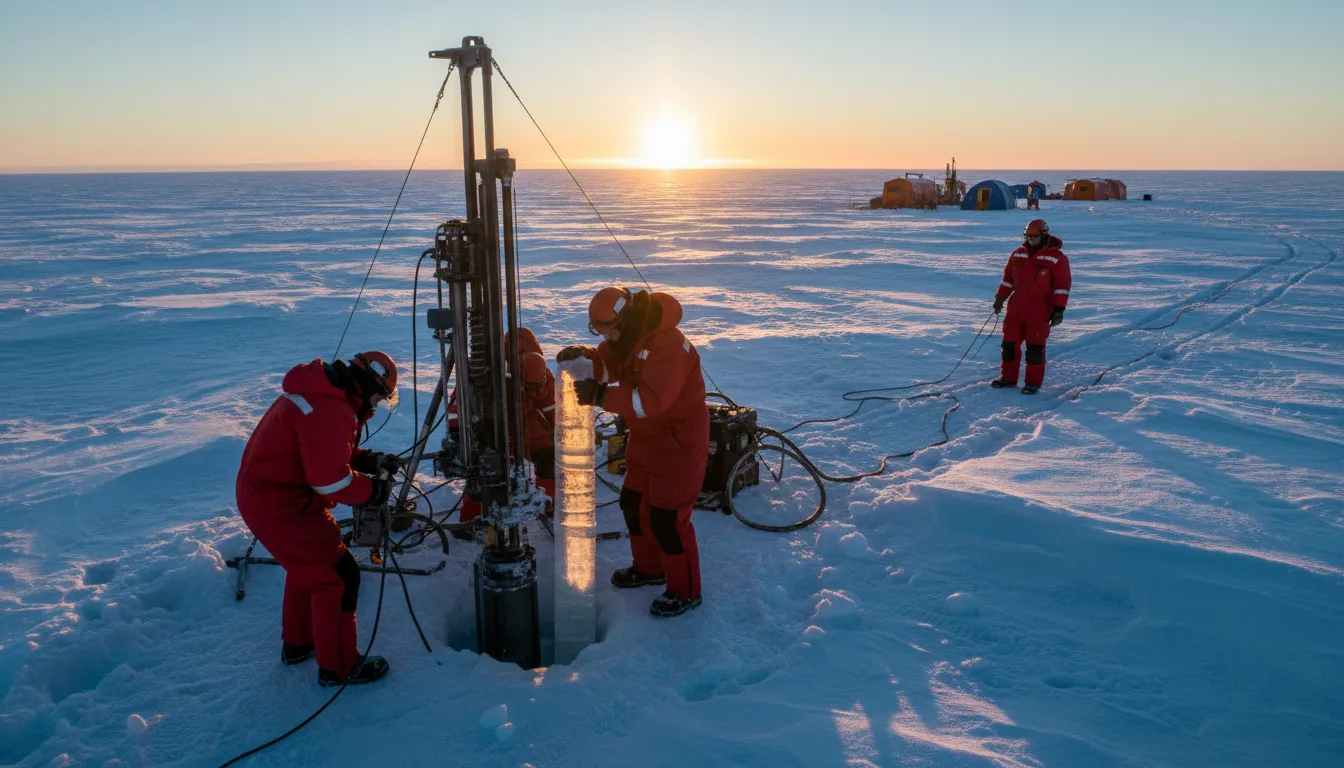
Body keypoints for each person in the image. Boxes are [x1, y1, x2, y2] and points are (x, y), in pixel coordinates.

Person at [235, 351, 400, 687]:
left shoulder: (323, 393)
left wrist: (368, 460)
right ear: (372, 385)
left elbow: (322, 448)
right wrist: (373, 491)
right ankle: (339, 667)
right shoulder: (329, 407)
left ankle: (299, 644)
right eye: (381, 397)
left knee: (309, 569)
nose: (377, 404)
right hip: (282, 505)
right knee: (339, 576)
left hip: (271, 498)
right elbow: (330, 480)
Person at [558, 287, 709, 617]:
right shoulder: (626, 338)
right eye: (598, 331)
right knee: (634, 503)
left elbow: (651, 401)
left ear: (625, 320)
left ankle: (685, 591)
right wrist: (584, 358)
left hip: (678, 442)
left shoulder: (667, 345)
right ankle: (649, 568)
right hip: (645, 437)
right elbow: (606, 364)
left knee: (668, 519)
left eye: (608, 330)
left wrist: (600, 395)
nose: (605, 337)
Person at [453, 328, 556, 526]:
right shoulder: (487, 373)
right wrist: (456, 430)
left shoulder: (540, 370)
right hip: (492, 425)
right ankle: (472, 518)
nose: (532, 391)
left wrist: (562, 431)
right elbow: (459, 403)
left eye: (536, 386)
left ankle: (548, 504)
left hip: (527, 424)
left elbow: (552, 407)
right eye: (527, 387)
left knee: (548, 454)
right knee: (484, 466)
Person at [992, 220, 1071, 394]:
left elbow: (1062, 286)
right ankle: (1008, 378)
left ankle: (1033, 383)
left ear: (1044, 235)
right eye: (1028, 236)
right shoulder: (1018, 254)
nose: (1031, 239)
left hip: (1039, 310)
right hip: (1016, 308)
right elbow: (1008, 279)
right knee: (1009, 345)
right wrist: (1000, 298)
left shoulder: (1057, 258)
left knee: (1035, 348)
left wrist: (1059, 309)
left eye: (1035, 236)